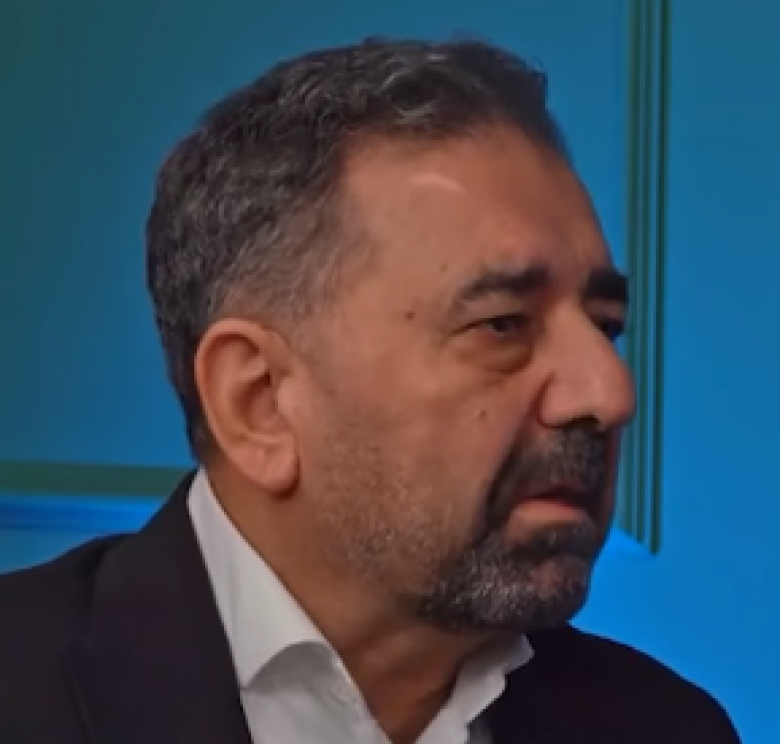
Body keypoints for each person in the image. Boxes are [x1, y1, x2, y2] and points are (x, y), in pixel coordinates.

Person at [0, 37, 739, 744]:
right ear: (260, 401)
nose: (610, 393)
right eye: (503, 324)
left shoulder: (668, 729)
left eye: (606, 327)